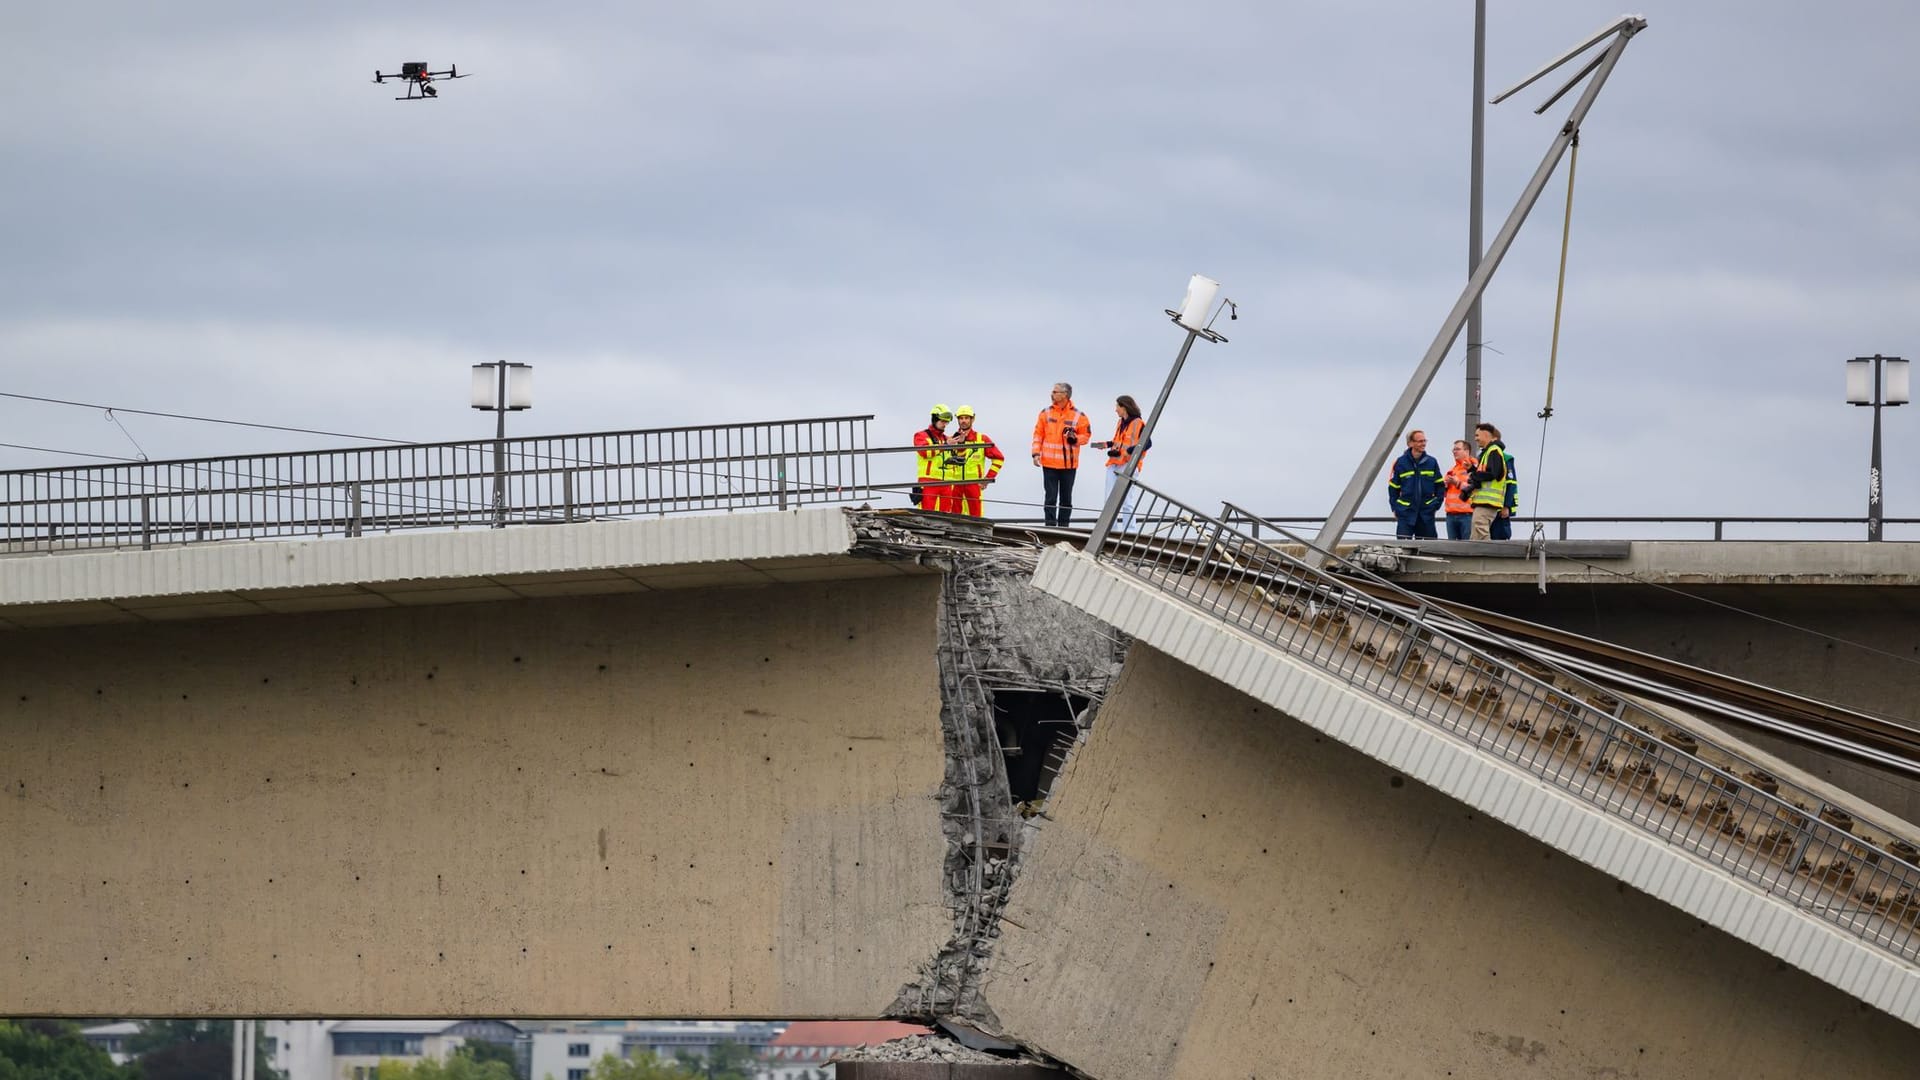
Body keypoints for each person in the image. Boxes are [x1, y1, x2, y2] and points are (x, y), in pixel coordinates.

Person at [1031, 382, 1091, 527]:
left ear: (1065, 395)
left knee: (1066, 499)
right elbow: (1038, 434)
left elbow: (1086, 435)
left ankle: (1064, 529)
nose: (1052, 394)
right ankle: (1050, 528)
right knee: (1050, 498)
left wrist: (1075, 438)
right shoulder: (1045, 413)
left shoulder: (1079, 416)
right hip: (1049, 464)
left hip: (1068, 465)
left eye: (1055, 392)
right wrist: (1035, 454)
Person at [1089, 395, 1147, 532]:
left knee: (1127, 501)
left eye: (1117, 407)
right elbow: (1118, 442)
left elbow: (1147, 443)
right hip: (1114, 463)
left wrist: (1131, 451)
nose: (1115, 410)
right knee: (1109, 500)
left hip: (1129, 465)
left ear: (1124, 407)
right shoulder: (1121, 422)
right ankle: (1111, 531)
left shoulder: (1138, 423)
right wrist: (1106, 444)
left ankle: (1130, 532)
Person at [945, 405, 1004, 517]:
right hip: (955, 485)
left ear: (972, 419)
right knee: (954, 518)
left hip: (974, 485)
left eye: (966, 418)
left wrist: (988, 478)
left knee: (976, 518)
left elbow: (999, 459)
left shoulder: (982, 439)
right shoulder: (951, 440)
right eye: (961, 418)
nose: (963, 421)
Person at [1385, 429, 1442, 539]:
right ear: (1410, 443)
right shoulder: (1400, 463)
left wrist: (1436, 504)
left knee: (1430, 548)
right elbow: (1393, 488)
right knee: (1403, 547)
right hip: (1406, 513)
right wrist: (1395, 507)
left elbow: (1439, 485)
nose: (1424, 444)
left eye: (1425, 441)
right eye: (1420, 441)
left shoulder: (1432, 462)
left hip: (1426, 513)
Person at [1467, 422, 1510, 541]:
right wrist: (1473, 470)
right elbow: (1489, 472)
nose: (1475, 439)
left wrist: (1475, 475)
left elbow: (1493, 474)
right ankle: (1475, 556)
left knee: (1480, 528)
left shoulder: (1494, 451)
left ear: (1486, 435)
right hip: (1484, 501)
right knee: (1476, 532)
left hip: (1488, 501)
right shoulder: (1489, 452)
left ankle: (1484, 556)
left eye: (1477, 435)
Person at [913, 404, 958, 513]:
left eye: (946, 422)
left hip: (946, 483)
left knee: (946, 515)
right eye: (942, 421)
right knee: (927, 515)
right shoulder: (921, 435)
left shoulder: (947, 439)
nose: (945, 425)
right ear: (935, 419)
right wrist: (946, 445)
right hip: (928, 482)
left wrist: (959, 444)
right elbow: (925, 452)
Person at [1442, 438, 1475, 540]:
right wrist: (1445, 486)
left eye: (1457, 449)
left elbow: (1475, 488)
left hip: (1467, 514)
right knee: (1452, 548)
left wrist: (1457, 483)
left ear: (1466, 451)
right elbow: (1445, 494)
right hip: (1451, 514)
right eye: (1454, 449)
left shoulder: (1474, 467)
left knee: (1467, 547)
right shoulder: (1453, 469)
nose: (1454, 451)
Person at [1491, 445, 1519, 540]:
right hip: (1489, 506)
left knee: (1500, 539)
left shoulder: (1505, 458)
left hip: (1500, 509)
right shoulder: (1484, 456)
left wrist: (1506, 506)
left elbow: (1510, 484)